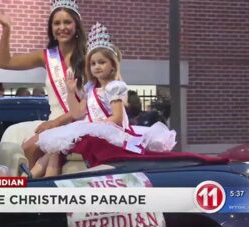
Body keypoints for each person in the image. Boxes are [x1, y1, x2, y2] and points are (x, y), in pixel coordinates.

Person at [35, 23, 176, 176]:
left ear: (112, 66)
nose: (97, 67)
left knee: (59, 147)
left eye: (102, 62)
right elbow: (77, 113)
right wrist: (70, 92)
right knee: (54, 148)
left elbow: (117, 118)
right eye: (93, 63)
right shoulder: (90, 88)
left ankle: (42, 182)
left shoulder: (115, 87)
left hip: (111, 130)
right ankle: (33, 179)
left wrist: (96, 126)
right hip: (90, 127)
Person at [0, 1, 87, 169]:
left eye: (67, 22)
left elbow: (89, 103)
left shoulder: (89, 58)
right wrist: (6, 29)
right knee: (12, 137)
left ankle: (31, 188)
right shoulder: (47, 57)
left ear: (77, 25)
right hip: (52, 123)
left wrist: (55, 123)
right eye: (56, 23)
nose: (62, 27)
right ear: (51, 28)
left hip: (78, 121)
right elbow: (5, 62)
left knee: (30, 147)